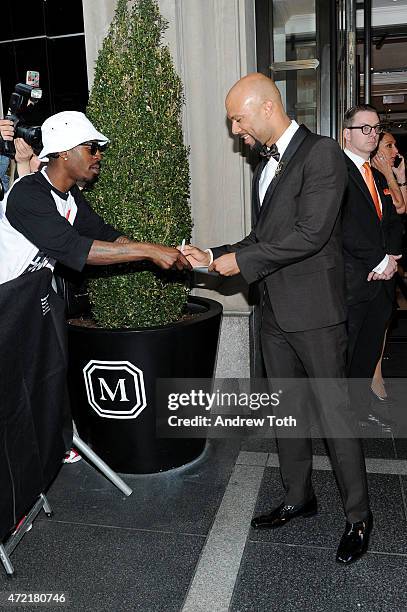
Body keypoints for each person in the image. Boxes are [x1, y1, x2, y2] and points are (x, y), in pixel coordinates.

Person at [183, 73, 371, 564]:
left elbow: (310, 234)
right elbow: (263, 235)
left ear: (266, 108)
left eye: (238, 118)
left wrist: (241, 264)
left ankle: (358, 515)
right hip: (274, 313)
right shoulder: (264, 164)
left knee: (334, 416)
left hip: (316, 315)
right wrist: (215, 252)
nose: (234, 129)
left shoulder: (322, 154)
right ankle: (298, 496)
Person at [0, 110, 190, 285]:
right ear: (64, 152)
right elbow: (75, 248)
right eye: (91, 148)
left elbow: (103, 234)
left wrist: (162, 252)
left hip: (28, 295)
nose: (98, 155)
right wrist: (149, 251)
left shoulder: (70, 194)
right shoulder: (28, 194)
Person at [342, 105, 403, 429]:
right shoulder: (337, 172)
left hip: (381, 281)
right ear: (346, 134)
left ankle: (360, 409)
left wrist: (391, 259)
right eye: (364, 128)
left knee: (368, 353)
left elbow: (393, 222)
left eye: (376, 128)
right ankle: (340, 417)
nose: (373, 134)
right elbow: (345, 226)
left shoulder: (377, 175)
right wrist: (378, 261)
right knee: (347, 353)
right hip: (353, 282)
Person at [370, 131, 406, 402]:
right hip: (374, 263)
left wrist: (399, 176)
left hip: (390, 262)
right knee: (374, 325)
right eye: (389, 145)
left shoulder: (385, 174)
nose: (395, 150)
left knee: (382, 323)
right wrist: (393, 177)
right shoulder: (371, 176)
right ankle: (373, 380)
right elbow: (399, 205)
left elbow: (402, 206)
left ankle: (376, 377)